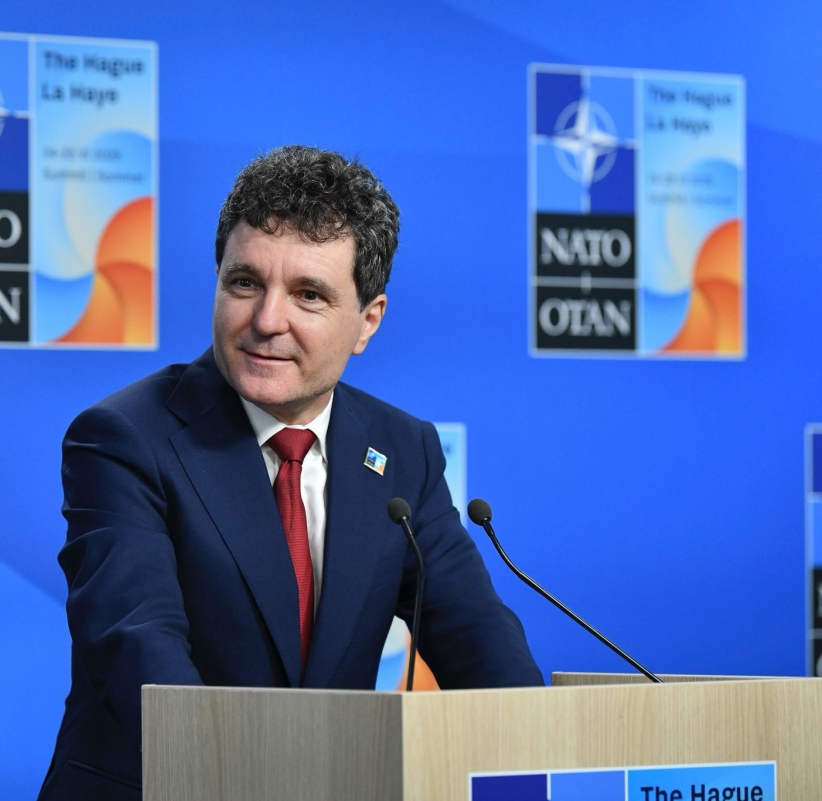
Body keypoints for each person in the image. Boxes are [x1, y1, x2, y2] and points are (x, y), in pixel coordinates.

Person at [37, 146, 542, 800]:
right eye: (245, 283)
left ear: (367, 321)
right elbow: (142, 661)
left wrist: (543, 751)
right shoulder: (125, 439)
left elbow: (484, 653)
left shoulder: (402, 451)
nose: (267, 321)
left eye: (308, 294)